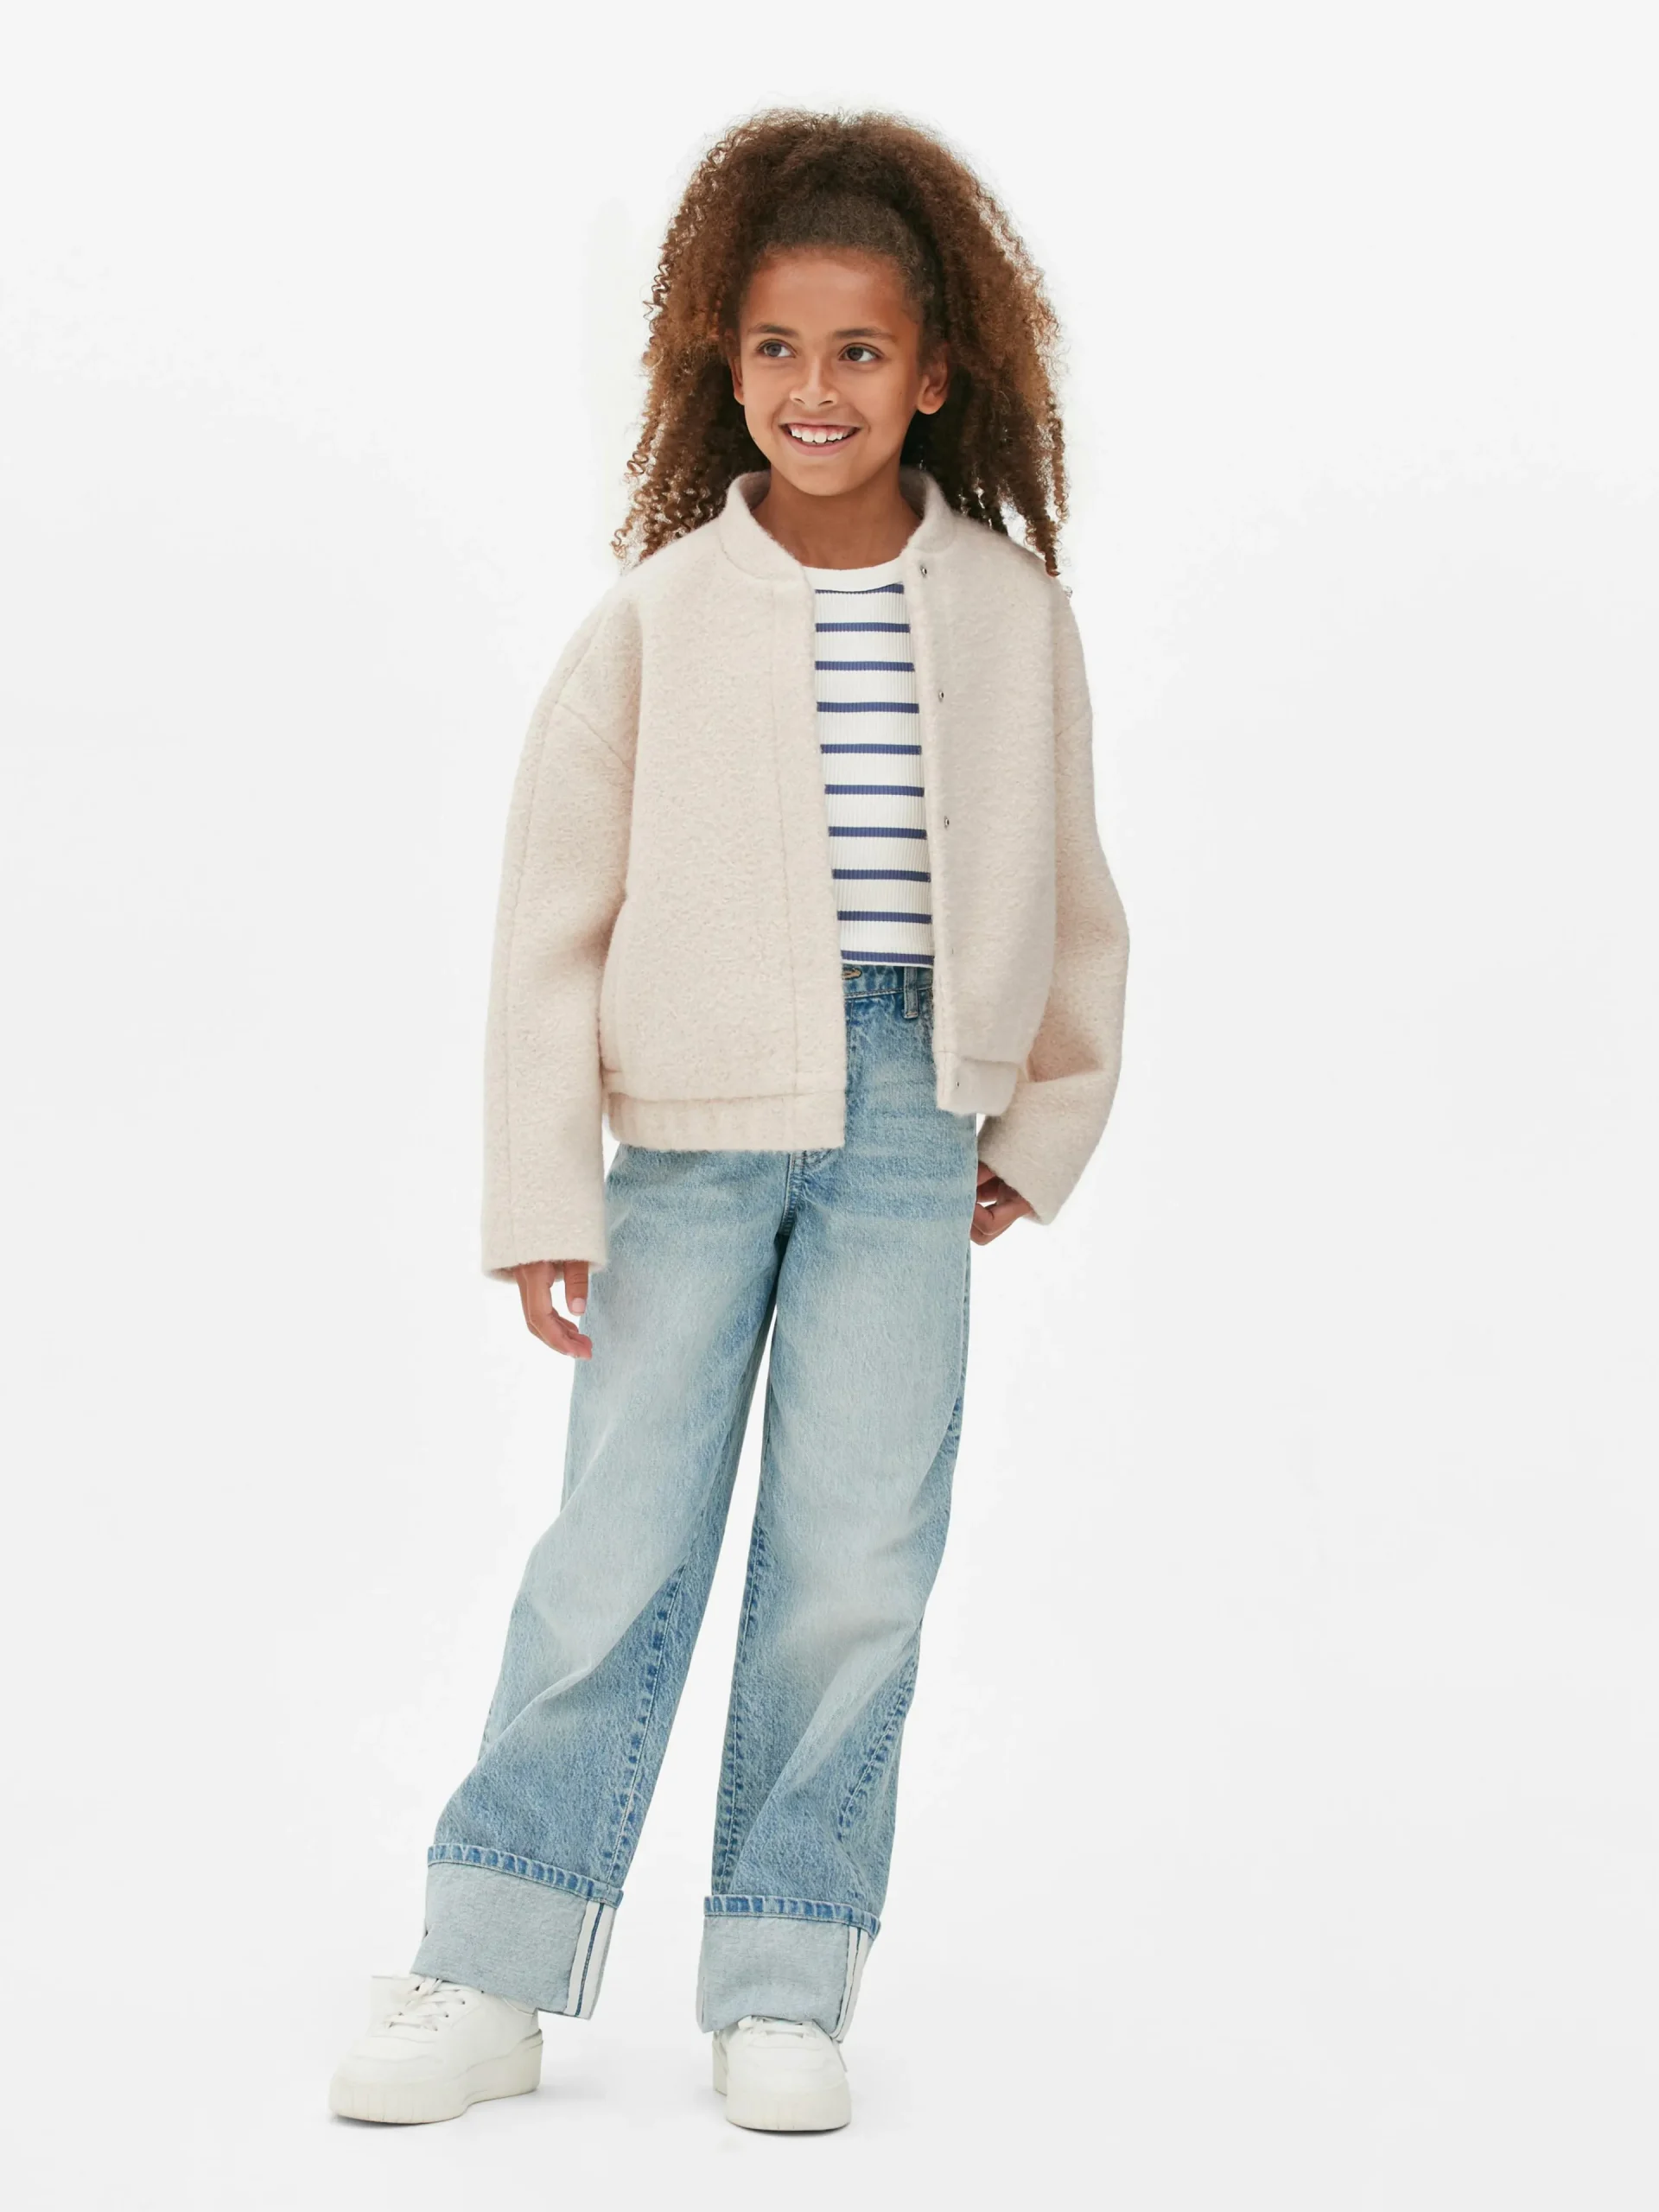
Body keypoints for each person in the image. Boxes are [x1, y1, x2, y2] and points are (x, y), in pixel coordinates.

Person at [329, 105, 1130, 2135]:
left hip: (909, 1128)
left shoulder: (1012, 611)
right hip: (685, 1136)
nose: (814, 388)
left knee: (858, 1555)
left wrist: (1031, 1120)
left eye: (860, 350)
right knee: (613, 1544)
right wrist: (543, 1188)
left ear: (935, 369)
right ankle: (491, 1961)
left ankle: (786, 1970)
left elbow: (1075, 895)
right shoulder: (660, 614)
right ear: (723, 358)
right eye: (777, 348)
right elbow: (550, 919)